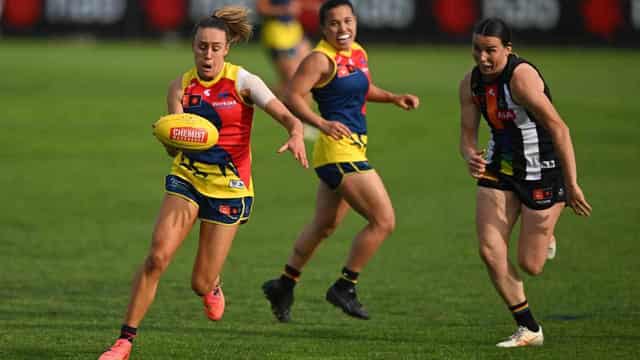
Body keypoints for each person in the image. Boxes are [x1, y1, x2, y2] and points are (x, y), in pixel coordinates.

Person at [99, 6, 308, 359]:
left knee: (200, 282)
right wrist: (168, 136)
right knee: (156, 258)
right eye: (201, 47)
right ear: (193, 47)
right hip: (188, 179)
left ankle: (212, 286)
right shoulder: (179, 88)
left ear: (227, 49)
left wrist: (297, 132)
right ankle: (124, 342)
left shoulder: (244, 81)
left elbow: (287, 115)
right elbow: (174, 149)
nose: (207, 54)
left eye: (214, 47)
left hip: (229, 188)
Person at [261, 0, 420, 322]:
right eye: (334, 23)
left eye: (348, 21)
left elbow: (361, 88)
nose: (343, 28)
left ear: (355, 22)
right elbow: (292, 94)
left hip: (352, 149)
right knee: (383, 220)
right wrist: (320, 123)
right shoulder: (320, 59)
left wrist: (391, 98)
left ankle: (284, 284)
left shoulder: (357, 52)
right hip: (337, 152)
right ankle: (345, 286)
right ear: (323, 28)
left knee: (325, 225)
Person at [458, 18, 592, 347]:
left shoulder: (521, 79)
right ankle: (529, 328)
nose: (483, 58)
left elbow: (559, 129)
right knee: (490, 250)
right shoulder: (470, 84)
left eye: (491, 51)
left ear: (508, 49)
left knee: (530, 265)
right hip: (500, 166)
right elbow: (467, 135)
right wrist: (470, 156)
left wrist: (571, 184)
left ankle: (548, 228)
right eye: (477, 49)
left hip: (543, 168)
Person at [256, 0, 320, 140]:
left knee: (308, 75)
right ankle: (301, 123)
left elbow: (297, 5)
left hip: (294, 30)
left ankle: (305, 121)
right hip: (277, 33)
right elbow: (261, 8)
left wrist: (313, 7)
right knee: (292, 82)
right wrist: (284, 10)